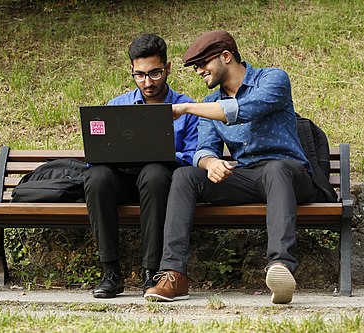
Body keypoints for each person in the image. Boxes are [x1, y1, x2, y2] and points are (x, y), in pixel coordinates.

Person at [144, 30, 314, 304]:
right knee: (185, 175)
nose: (199, 71)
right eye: (195, 66)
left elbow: (243, 110)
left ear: (226, 56)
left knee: (275, 169)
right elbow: (203, 149)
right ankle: (174, 275)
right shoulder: (209, 104)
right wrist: (210, 163)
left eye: (203, 64)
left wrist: (186, 107)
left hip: (291, 175)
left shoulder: (272, 79)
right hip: (248, 177)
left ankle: (280, 267)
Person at [84, 33, 198, 298]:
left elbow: (193, 155)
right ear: (132, 71)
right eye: (140, 75)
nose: (147, 82)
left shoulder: (186, 107)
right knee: (97, 177)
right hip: (123, 180)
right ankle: (111, 271)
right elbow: (95, 155)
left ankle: (151, 272)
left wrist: (165, 153)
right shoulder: (117, 106)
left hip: (160, 185)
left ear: (168, 68)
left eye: (155, 73)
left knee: (155, 172)